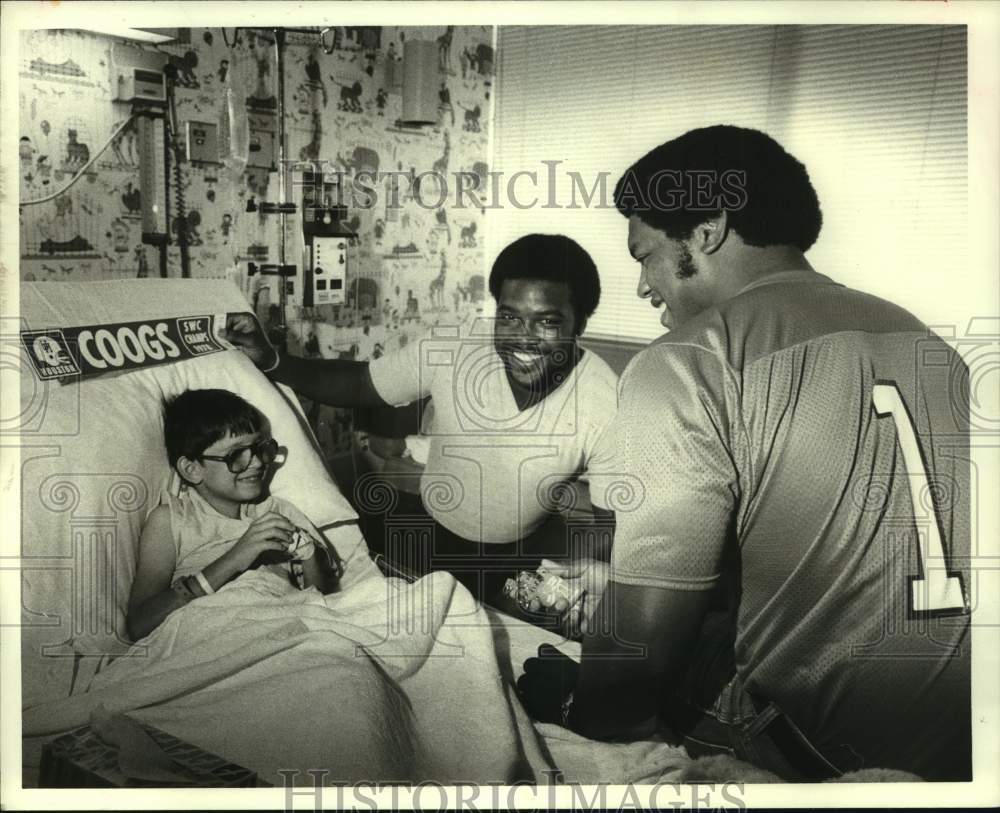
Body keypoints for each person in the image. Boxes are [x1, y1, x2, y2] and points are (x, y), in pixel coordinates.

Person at [517, 125, 971, 781]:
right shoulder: (932, 343)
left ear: (706, 231)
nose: (644, 287)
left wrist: (573, 698)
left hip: (827, 756)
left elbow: (638, 656)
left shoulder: (692, 358)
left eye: (644, 255)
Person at [227, 234, 619, 609]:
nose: (523, 339)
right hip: (426, 533)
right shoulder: (458, 342)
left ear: (579, 325)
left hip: (520, 555)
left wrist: (577, 577)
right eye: (510, 317)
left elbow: (609, 525)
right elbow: (364, 384)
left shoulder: (604, 400)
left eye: (547, 322)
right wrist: (275, 361)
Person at [127, 389, 342, 641]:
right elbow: (138, 626)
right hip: (212, 638)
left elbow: (325, 597)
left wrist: (309, 555)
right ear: (192, 469)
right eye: (236, 455)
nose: (258, 463)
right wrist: (236, 557)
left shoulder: (279, 512)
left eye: (260, 448)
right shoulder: (172, 521)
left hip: (285, 627)